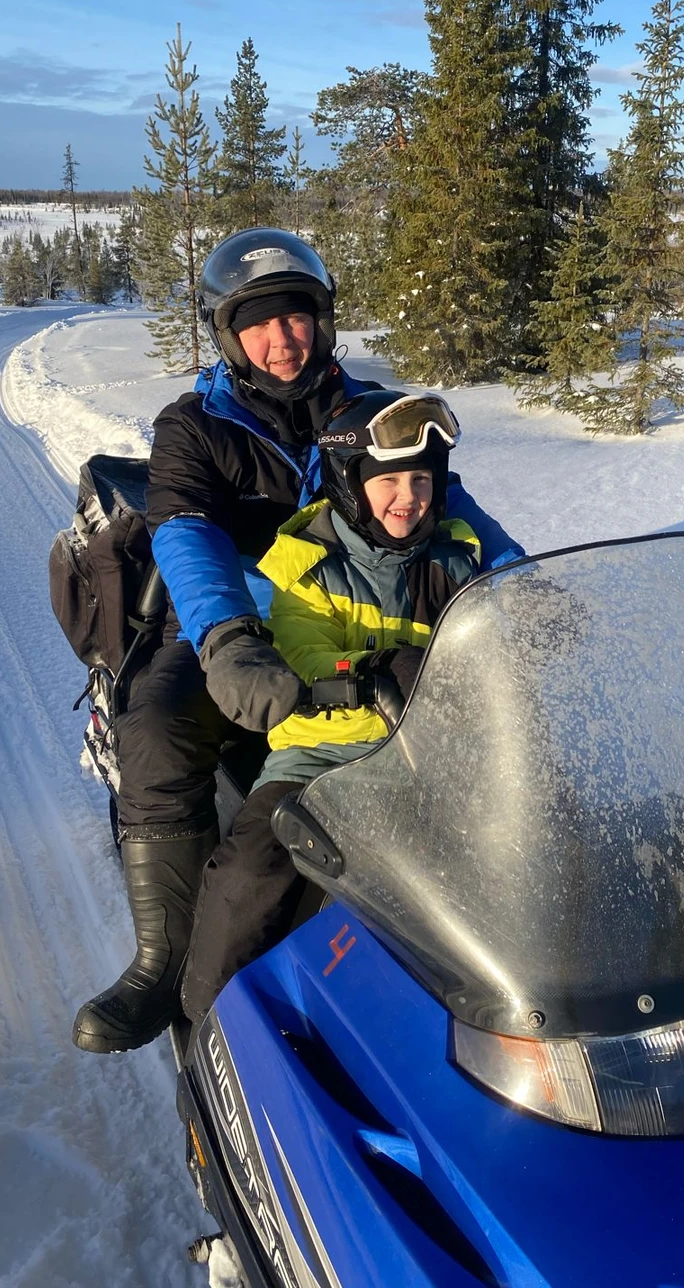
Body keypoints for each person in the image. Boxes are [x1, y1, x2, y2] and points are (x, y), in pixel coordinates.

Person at [71, 229, 524, 1055]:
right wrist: (226, 637)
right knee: (160, 723)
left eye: (299, 317)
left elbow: (457, 511)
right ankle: (163, 963)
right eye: (261, 321)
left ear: (324, 322)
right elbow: (186, 532)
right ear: (227, 331)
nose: (284, 339)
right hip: (236, 627)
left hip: (360, 628)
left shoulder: (368, 412)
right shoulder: (194, 426)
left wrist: (525, 592)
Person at [180, 390, 483, 1025]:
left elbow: (494, 633)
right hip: (319, 761)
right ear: (350, 483)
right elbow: (305, 661)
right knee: (248, 876)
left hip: (432, 760)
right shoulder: (305, 564)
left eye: (423, 479)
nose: (410, 498)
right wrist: (375, 671)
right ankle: (211, 1023)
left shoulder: (456, 557)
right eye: (390, 481)